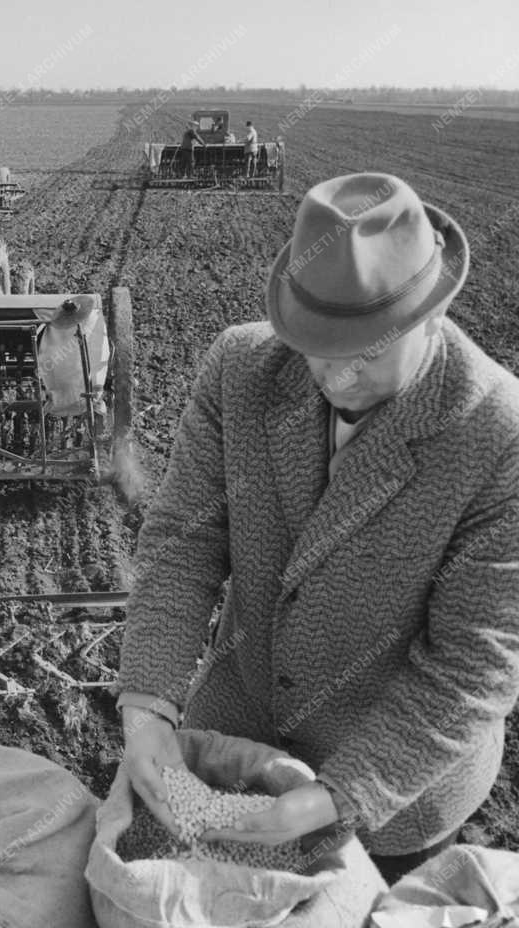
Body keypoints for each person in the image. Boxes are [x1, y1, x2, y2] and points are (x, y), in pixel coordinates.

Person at [117, 172, 519, 886]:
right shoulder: (241, 370)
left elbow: (471, 666)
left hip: (392, 789)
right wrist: (149, 706)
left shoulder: (497, 437)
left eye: (364, 352)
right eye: (315, 344)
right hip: (237, 736)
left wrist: (337, 795)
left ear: (430, 314)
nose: (333, 374)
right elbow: (183, 545)